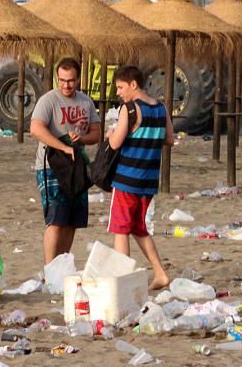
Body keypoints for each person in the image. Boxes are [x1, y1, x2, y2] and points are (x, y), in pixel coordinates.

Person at [106, 66, 172, 290]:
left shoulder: (130, 108)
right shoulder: (161, 108)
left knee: (120, 229)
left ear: (133, 84)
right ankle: (160, 272)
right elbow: (169, 138)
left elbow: (115, 143)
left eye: (120, 87)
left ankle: (123, 280)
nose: (119, 92)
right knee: (138, 227)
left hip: (127, 178)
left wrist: (111, 133)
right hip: (149, 180)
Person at [29, 58, 100, 264]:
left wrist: (82, 138)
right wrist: (63, 146)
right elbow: (36, 129)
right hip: (51, 166)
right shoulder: (48, 100)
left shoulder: (86, 102)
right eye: (61, 80)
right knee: (56, 220)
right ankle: (50, 268)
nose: (65, 85)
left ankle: (61, 264)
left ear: (78, 79)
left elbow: (96, 133)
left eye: (70, 81)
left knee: (72, 221)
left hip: (77, 167)